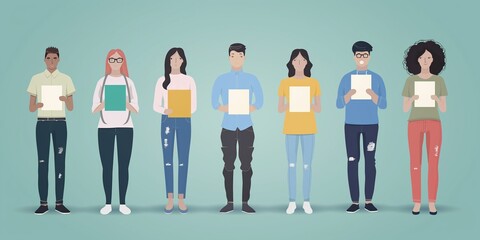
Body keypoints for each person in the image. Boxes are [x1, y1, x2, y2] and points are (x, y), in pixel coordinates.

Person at [211, 43, 263, 214]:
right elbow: (214, 103)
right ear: (229, 57)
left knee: (247, 164)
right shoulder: (221, 79)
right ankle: (230, 202)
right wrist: (225, 107)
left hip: (246, 126)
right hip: (227, 127)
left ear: (244, 57)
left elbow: (260, 101)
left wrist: (250, 107)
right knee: (228, 164)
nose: (236, 58)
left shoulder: (252, 79)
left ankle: (245, 202)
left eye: (240, 55)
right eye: (233, 55)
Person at [336, 41, 387, 213]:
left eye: (365, 55)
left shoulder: (377, 78)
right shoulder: (346, 78)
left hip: (371, 124)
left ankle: (369, 200)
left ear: (370, 56)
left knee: (370, 161)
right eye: (359, 55)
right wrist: (348, 95)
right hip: (351, 125)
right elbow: (338, 104)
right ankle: (354, 201)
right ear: (354, 57)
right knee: (352, 160)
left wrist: (373, 95)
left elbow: (384, 104)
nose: (362, 58)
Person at [27, 46, 75, 215]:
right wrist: (38, 104)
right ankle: (43, 203)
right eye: (49, 58)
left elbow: (71, 107)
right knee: (42, 162)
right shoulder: (36, 79)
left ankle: (60, 202)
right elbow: (31, 108)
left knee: (60, 162)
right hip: (42, 123)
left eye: (55, 58)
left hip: (60, 123)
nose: (52, 61)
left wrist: (64, 99)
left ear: (59, 59)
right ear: (44, 59)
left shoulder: (66, 79)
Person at [402, 40, 447, 215]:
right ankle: (417, 202)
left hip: (434, 123)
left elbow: (443, 108)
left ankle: (432, 201)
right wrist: (412, 98)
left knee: (433, 163)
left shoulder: (439, 80)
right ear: (416, 60)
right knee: (415, 163)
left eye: (429, 57)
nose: (426, 60)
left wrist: (436, 98)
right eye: (422, 57)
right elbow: (405, 108)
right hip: (414, 123)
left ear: (435, 59)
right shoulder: (410, 80)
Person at [92, 49, 139, 215]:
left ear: (123, 62)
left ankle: (123, 203)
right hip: (105, 127)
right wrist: (106, 102)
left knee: (123, 166)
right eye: (112, 59)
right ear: (107, 61)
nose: (115, 62)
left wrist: (125, 103)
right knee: (107, 166)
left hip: (126, 127)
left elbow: (136, 108)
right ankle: (107, 203)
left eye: (119, 60)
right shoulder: (101, 82)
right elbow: (93, 108)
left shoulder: (129, 82)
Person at [154, 47, 197, 214]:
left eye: (178, 58)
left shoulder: (189, 80)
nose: (175, 61)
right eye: (172, 59)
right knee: (168, 159)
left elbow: (193, 105)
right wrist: (165, 110)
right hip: (167, 121)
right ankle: (170, 198)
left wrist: (182, 108)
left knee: (183, 159)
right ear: (168, 61)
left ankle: (181, 198)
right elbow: (155, 105)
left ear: (183, 61)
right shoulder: (162, 81)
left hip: (185, 120)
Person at [278, 49, 321, 214]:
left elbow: (318, 107)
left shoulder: (314, 82)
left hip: (309, 128)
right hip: (290, 128)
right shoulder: (284, 83)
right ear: (291, 63)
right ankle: (292, 201)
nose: (299, 63)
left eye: (302, 60)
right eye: (296, 60)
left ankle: (307, 201)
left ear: (307, 63)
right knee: (291, 165)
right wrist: (293, 104)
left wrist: (305, 103)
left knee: (307, 165)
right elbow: (280, 108)